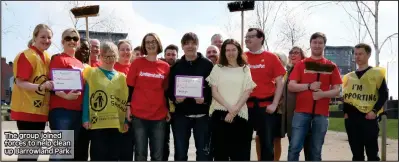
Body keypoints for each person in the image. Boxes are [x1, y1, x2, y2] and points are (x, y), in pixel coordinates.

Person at [287, 32, 342, 161]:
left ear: (324, 45)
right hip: (301, 113)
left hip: (321, 114)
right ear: (310, 44)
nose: (317, 45)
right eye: (314, 42)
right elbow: (291, 86)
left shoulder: (331, 66)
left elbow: (337, 91)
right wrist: (308, 86)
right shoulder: (302, 64)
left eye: (320, 43)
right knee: (294, 148)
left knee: (316, 150)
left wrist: (323, 94)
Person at [207, 39, 256, 161]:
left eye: (233, 49)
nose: (230, 53)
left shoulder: (245, 69)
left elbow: (247, 91)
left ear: (239, 51)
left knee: (240, 155)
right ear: (223, 52)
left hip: (240, 115)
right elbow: (214, 92)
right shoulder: (217, 68)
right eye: (227, 50)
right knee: (220, 154)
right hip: (220, 115)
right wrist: (229, 108)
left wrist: (234, 111)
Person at [10, 23, 54, 161]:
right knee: (28, 154)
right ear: (34, 37)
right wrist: (41, 87)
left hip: (39, 112)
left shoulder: (47, 57)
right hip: (26, 111)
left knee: (33, 153)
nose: (46, 40)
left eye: (49, 37)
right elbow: (20, 82)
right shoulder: (27, 56)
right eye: (42, 36)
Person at [167, 32, 214, 161]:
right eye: (187, 43)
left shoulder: (207, 64)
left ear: (198, 45)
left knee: (204, 155)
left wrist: (205, 98)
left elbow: (214, 88)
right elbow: (169, 89)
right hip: (182, 116)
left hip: (202, 116)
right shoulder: (176, 66)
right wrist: (175, 98)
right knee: (180, 154)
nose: (190, 46)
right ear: (182, 46)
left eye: (193, 43)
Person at [82, 41, 129, 161]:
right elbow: (87, 96)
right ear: (100, 56)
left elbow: (123, 100)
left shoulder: (122, 77)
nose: (109, 59)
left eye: (112, 56)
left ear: (116, 57)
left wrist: (124, 121)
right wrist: (85, 118)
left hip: (115, 123)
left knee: (114, 156)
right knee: (98, 155)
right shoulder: (91, 73)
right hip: (98, 122)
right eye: (105, 56)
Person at [126, 33, 170, 161]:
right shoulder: (137, 63)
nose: (150, 44)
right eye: (147, 42)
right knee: (140, 153)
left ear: (158, 44)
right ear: (144, 45)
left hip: (159, 116)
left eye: (153, 42)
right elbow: (130, 87)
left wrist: (167, 109)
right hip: (139, 116)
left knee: (157, 154)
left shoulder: (165, 66)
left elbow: (165, 91)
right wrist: (128, 107)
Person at [244, 28, 286, 161]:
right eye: (246, 37)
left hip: (266, 107)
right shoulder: (242, 57)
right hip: (244, 107)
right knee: (242, 143)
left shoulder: (271, 57)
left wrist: (274, 104)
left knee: (267, 144)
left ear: (261, 38)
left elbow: (280, 81)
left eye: (251, 36)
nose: (247, 39)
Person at [342, 43, 388, 161]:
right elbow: (346, 97)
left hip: (369, 118)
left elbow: (383, 94)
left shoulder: (376, 74)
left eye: (360, 54)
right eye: (355, 54)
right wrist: (346, 114)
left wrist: (374, 111)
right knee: (357, 155)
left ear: (368, 55)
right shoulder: (349, 76)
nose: (357, 56)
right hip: (352, 120)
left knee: (372, 154)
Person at [48, 28, 85, 161]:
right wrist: (66, 96)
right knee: (59, 154)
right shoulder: (59, 59)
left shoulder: (80, 63)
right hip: (62, 111)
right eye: (68, 38)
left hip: (77, 112)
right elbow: (52, 84)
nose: (72, 41)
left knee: (68, 155)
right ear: (63, 41)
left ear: (78, 42)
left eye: (75, 39)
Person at [280, 47, 312, 161]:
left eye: (296, 53)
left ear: (302, 56)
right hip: (290, 114)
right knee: (293, 147)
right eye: (291, 53)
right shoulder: (288, 71)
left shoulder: (306, 69)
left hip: (303, 112)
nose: (293, 55)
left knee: (308, 148)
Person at [114, 39, 135, 161]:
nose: (125, 52)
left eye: (128, 49)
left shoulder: (134, 68)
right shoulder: (111, 67)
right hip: (112, 114)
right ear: (117, 51)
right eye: (122, 49)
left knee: (127, 151)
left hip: (129, 115)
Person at [159, 44, 179, 161]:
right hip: (162, 110)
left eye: (173, 54)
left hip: (178, 111)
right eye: (168, 54)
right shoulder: (159, 68)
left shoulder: (181, 68)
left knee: (179, 141)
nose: (171, 57)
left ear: (177, 55)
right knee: (163, 141)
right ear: (164, 55)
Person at [73, 38, 92, 161]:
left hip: (85, 113)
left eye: (87, 48)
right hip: (69, 112)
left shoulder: (90, 69)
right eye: (82, 47)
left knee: (82, 149)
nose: (84, 51)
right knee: (64, 152)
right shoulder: (67, 63)